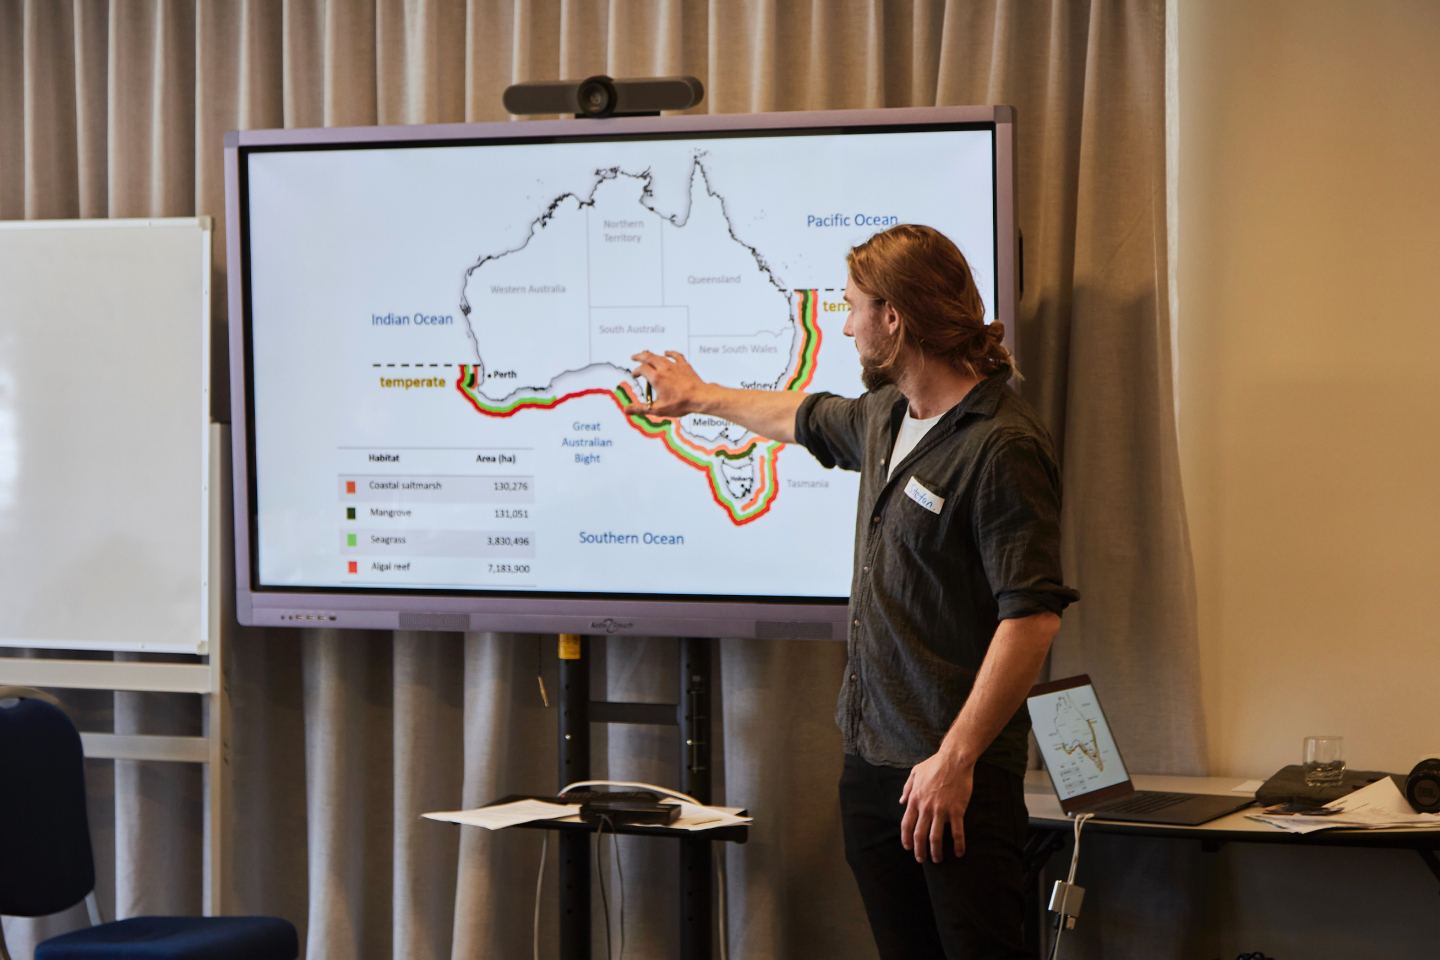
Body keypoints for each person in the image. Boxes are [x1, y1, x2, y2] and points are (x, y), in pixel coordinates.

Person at [629, 223, 1078, 959]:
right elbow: (797, 418)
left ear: (893, 319)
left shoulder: (1001, 443)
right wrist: (699, 396)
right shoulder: (886, 416)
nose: (843, 325)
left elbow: (1030, 620)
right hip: (873, 768)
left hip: (952, 779)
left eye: (851, 307)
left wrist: (955, 760)